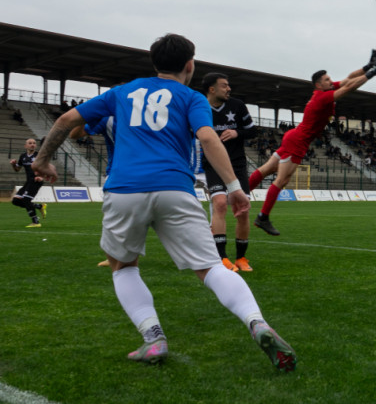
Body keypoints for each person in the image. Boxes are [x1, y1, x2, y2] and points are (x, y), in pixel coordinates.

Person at [32, 33, 296, 370]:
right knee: (211, 268)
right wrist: (234, 187)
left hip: (125, 188)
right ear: (190, 65)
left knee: (123, 267)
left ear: (155, 63)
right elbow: (206, 137)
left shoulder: (121, 92)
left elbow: (67, 121)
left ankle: (153, 338)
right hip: (175, 188)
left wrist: (41, 160)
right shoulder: (191, 98)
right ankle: (256, 322)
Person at [250, 51, 376, 234]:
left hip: (294, 137)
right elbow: (348, 89)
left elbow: (347, 80)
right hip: (298, 141)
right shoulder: (322, 97)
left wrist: (367, 67)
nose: (331, 81)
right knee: (282, 180)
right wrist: (370, 75)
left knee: (266, 170)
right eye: (327, 80)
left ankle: (238, 194)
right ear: (318, 84)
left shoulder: (324, 91)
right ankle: (263, 217)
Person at [200, 73, 257, 272]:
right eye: (224, 86)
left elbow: (252, 131)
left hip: (238, 165)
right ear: (212, 89)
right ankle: (222, 258)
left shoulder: (237, 105)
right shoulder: (200, 107)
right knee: (220, 204)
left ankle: (241, 258)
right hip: (212, 164)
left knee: (243, 210)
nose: (229, 88)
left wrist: (237, 132)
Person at [70, 115, 116, 267]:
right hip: (121, 172)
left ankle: (115, 260)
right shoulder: (109, 118)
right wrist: (85, 115)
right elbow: (75, 134)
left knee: (113, 217)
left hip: (121, 173)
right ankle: (113, 257)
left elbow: (73, 133)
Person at [10, 138, 47, 227]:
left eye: (34, 143)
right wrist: (13, 164)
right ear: (25, 146)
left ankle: (35, 222)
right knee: (15, 201)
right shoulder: (23, 156)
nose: (32, 145)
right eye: (30, 143)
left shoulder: (38, 155)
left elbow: (45, 167)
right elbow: (17, 169)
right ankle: (39, 207)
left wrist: (41, 177)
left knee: (26, 200)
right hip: (28, 182)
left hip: (36, 181)